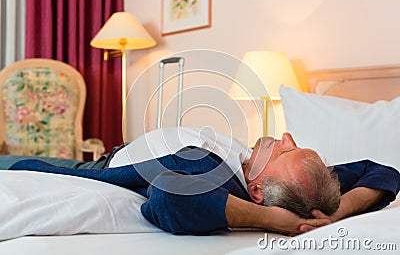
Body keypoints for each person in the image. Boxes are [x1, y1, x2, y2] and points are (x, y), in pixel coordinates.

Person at [5, 127, 400, 236]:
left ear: (259, 192)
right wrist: (336, 211)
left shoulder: (212, 174)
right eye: (293, 146)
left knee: (10, 163)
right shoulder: (311, 186)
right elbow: (383, 172)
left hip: (95, 168)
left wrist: (269, 221)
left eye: (282, 152)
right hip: (115, 149)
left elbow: (167, 195)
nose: (285, 138)